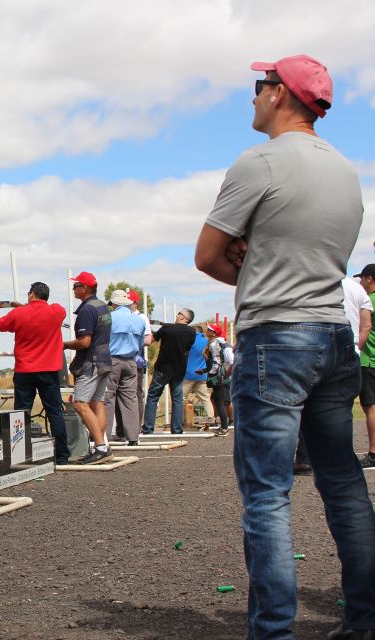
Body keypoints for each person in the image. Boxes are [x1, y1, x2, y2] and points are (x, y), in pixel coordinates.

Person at [195, 55, 375, 639]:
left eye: (259, 86)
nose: (252, 96)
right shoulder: (347, 172)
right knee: (343, 482)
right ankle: (364, 620)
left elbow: (207, 256)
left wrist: (248, 266)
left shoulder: (259, 162)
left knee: (268, 495)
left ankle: (273, 630)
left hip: (276, 336)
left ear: (280, 95)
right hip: (333, 336)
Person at [0, 281, 69, 464]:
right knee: (55, 413)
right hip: (49, 371)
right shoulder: (57, 310)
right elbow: (40, 311)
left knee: (21, 414)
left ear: (31, 294)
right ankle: (63, 456)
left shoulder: (18, 313)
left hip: (25, 370)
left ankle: (19, 456)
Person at [64, 271, 113, 464]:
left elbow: (84, 342)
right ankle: (101, 447)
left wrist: (65, 344)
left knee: (80, 404)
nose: (73, 289)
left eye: (75, 286)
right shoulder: (102, 306)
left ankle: (100, 447)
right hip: (104, 360)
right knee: (96, 404)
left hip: (91, 362)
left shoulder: (86, 310)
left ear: (84, 289)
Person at [140, 308, 196, 435]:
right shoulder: (192, 332)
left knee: (153, 397)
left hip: (163, 368)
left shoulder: (167, 328)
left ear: (182, 317)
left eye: (179, 313)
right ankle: (177, 430)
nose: (177, 315)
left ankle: (148, 428)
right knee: (177, 400)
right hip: (180, 369)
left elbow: (149, 340)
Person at [102, 289, 145, 445]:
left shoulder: (109, 318)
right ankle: (133, 437)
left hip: (112, 360)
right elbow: (141, 344)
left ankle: (103, 437)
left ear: (114, 303)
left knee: (107, 398)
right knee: (130, 399)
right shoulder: (139, 320)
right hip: (131, 361)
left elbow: (102, 340)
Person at [354, 266, 375, 469]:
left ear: (370, 279)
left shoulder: (370, 301)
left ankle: (373, 452)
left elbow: (364, 326)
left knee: (370, 407)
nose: (361, 284)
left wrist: (356, 348)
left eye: (362, 280)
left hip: (369, 360)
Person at [199, 323, 230, 437]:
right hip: (221, 375)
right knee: (218, 401)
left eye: (209, 330)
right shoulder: (218, 343)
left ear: (214, 333)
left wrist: (211, 374)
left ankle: (224, 428)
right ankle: (223, 426)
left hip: (218, 376)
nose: (207, 331)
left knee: (219, 402)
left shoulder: (214, 344)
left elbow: (216, 362)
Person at [183, 326, 214, 427]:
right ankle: (211, 418)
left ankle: (180, 420)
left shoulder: (189, 340)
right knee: (205, 398)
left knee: (181, 398)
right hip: (201, 374)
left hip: (189, 374)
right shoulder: (207, 342)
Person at [128, 290, 151, 426]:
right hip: (125, 359)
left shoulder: (142, 318)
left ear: (136, 303)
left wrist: (129, 342)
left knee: (136, 394)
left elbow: (148, 340)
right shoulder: (122, 316)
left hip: (136, 360)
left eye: (129, 302)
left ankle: (136, 426)